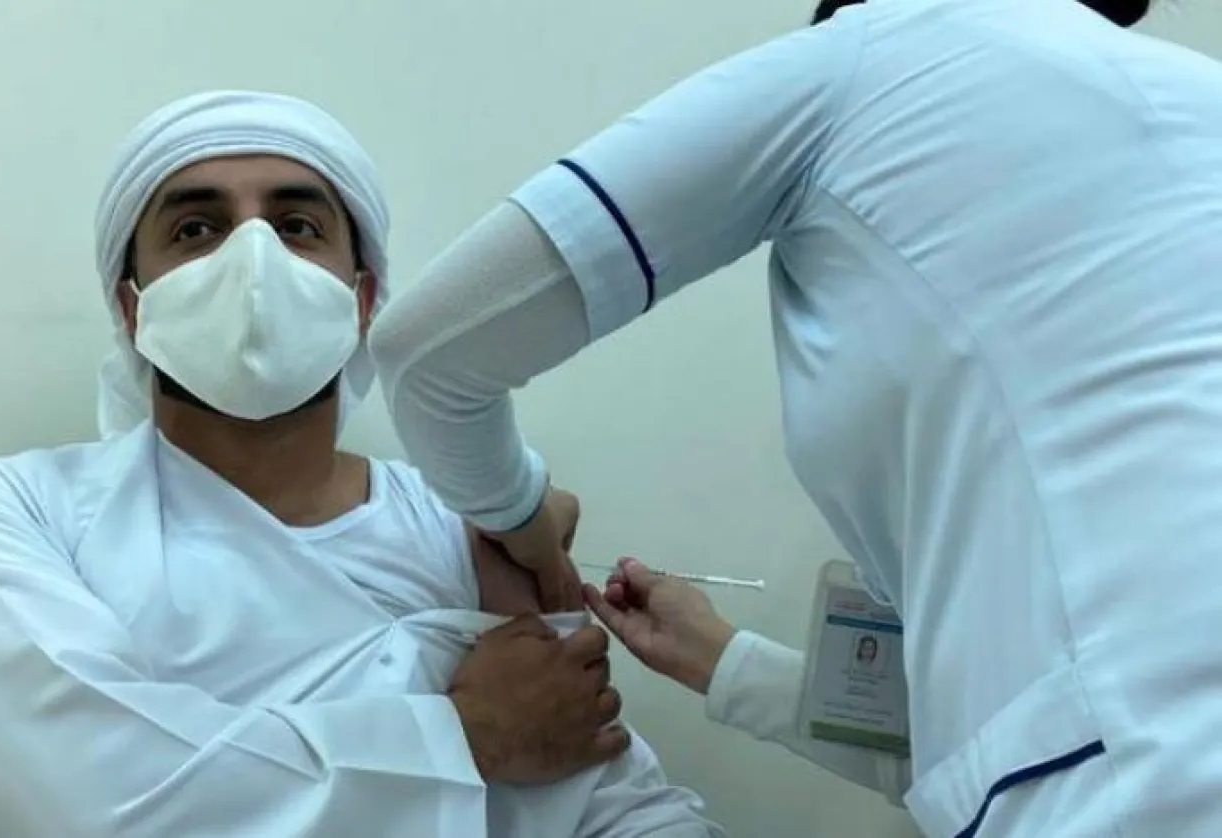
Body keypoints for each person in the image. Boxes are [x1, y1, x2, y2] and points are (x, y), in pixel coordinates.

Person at [367, 0, 1222, 835]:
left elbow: (429, 358)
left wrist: (519, 514)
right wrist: (725, 661)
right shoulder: (1196, 94)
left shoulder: (879, 54)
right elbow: (981, 731)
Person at [0, 91, 720, 838]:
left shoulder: (465, 528)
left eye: (296, 227)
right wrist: (460, 737)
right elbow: (86, 801)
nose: (254, 263)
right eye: (195, 229)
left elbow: (608, 795)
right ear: (132, 306)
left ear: (361, 300)